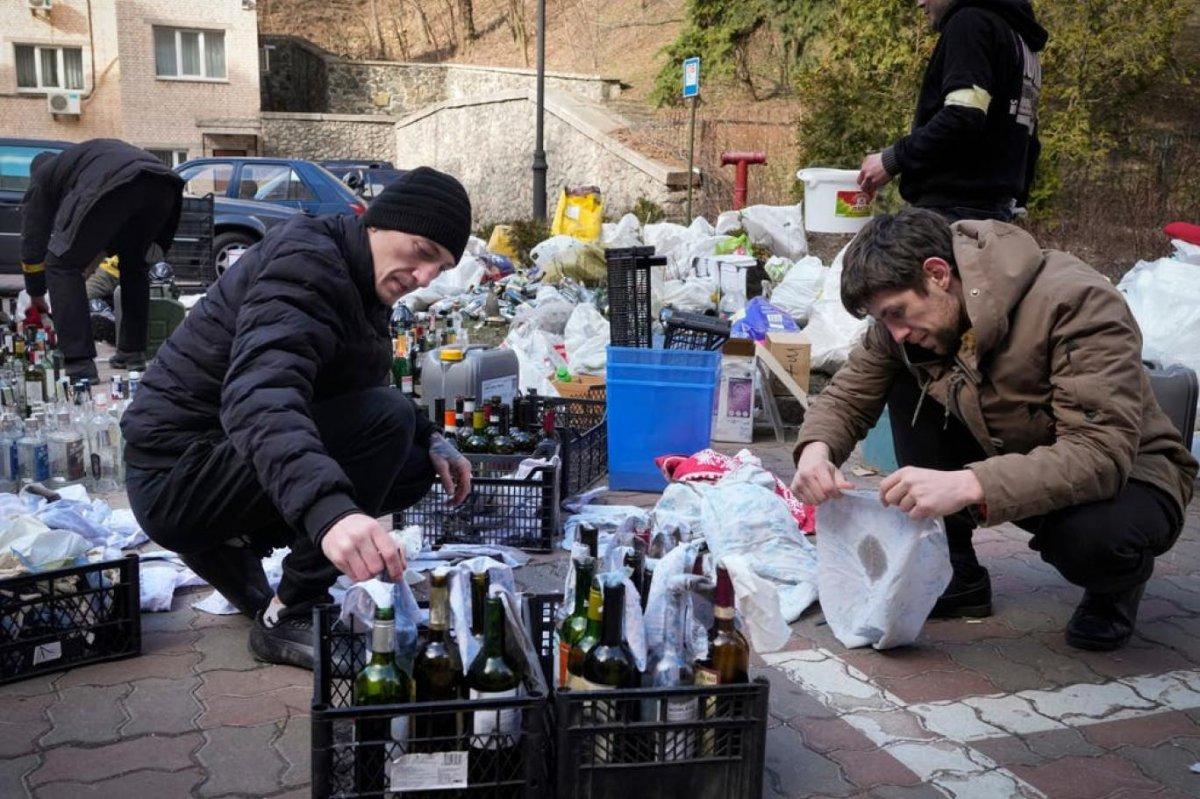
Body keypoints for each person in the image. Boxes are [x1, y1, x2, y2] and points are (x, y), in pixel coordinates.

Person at [791, 209, 1197, 652]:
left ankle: (1114, 589)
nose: (896, 332)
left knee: (1093, 540)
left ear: (937, 273)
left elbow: (1098, 453)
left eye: (897, 313)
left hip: (1131, 473)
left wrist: (970, 483)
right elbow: (849, 394)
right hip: (1014, 449)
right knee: (905, 378)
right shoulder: (908, 323)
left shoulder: (1076, 302)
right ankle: (958, 575)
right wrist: (817, 450)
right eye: (883, 321)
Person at [120, 167, 475, 670]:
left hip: (220, 459)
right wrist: (332, 513)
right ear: (377, 223)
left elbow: (361, 386)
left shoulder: (360, 278)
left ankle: (230, 543)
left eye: (438, 268)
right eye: (421, 251)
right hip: (175, 474)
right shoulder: (308, 261)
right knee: (385, 425)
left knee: (415, 461)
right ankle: (293, 610)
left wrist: (433, 437)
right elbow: (259, 394)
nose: (422, 278)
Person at [858, 0, 1047, 223]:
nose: (920, 3)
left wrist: (892, 160)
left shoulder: (970, 23)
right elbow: (1028, 137)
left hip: (952, 217)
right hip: (995, 217)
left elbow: (963, 116)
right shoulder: (1019, 39)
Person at [20, 139, 185, 380]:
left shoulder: (44, 178)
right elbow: (103, 231)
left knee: (61, 265)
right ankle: (132, 351)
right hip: (163, 185)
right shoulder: (81, 161)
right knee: (133, 264)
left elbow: (33, 241)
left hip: (119, 182)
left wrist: (36, 294)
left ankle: (79, 364)